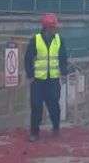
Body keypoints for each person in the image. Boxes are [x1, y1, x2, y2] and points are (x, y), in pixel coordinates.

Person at [24, 14, 69, 142]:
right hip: (38, 80)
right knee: (36, 106)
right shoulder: (36, 40)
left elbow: (63, 58)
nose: (55, 30)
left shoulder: (59, 40)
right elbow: (28, 58)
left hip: (53, 79)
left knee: (54, 105)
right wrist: (30, 75)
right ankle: (34, 133)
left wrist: (64, 73)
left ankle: (56, 127)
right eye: (53, 28)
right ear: (46, 28)